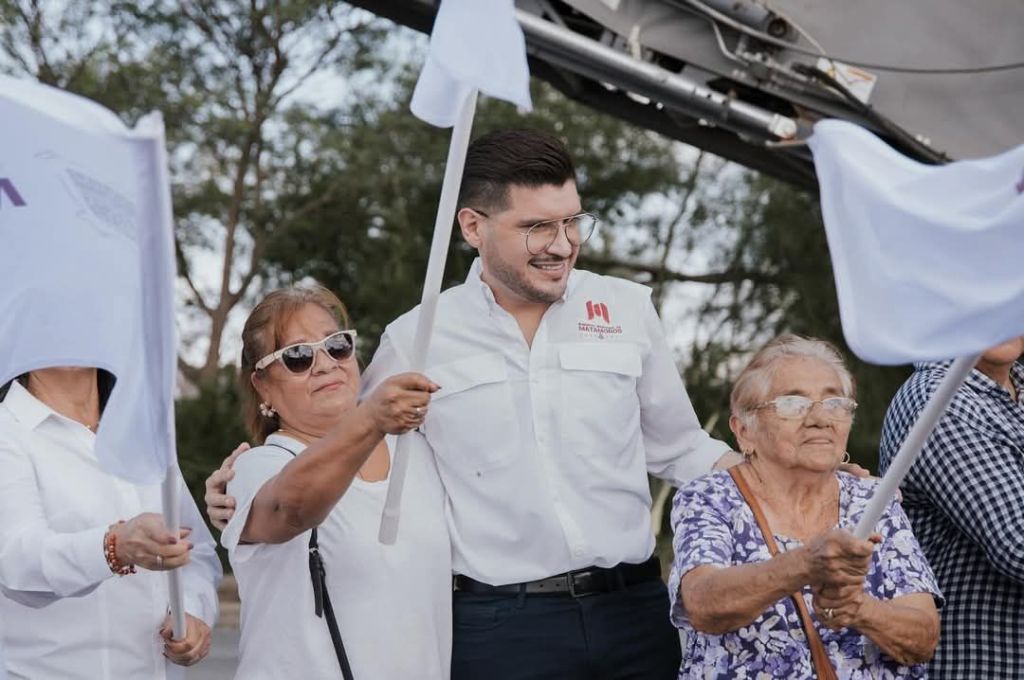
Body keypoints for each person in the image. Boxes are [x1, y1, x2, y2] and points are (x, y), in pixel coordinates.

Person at [207, 129, 738, 679]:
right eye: (536, 227)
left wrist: (803, 484)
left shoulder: (627, 308)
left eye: (571, 221)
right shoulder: (415, 337)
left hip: (635, 612)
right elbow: (337, 430)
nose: (562, 244)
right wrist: (241, 494)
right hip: (499, 628)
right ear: (472, 227)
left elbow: (684, 448)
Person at [670, 335, 942, 679]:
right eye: (792, 403)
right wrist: (806, 563)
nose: (820, 419)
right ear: (743, 431)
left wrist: (860, 610)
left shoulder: (873, 501)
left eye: (835, 404)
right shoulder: (710, 497)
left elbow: (923, 638)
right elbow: (704, 604)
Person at [217, 285, 451, 679]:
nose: (324, 363)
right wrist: (369, 418)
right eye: (297, 356)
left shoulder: (418, 450)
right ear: (262, 385)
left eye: (336, 345)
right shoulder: (255, 468)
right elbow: (289, 508)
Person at [0, 367, 222, 679]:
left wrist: (190, 612)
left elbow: (195, 550)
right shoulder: (7, 432)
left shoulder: (144, 434)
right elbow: (17, 563)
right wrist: (114, 547)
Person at [880, 336, 1024, 679]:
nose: (1001, 319)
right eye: (981, 300)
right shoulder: (938, 398)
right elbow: (1018, 543)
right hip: (984, 665)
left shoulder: (1013, 390)